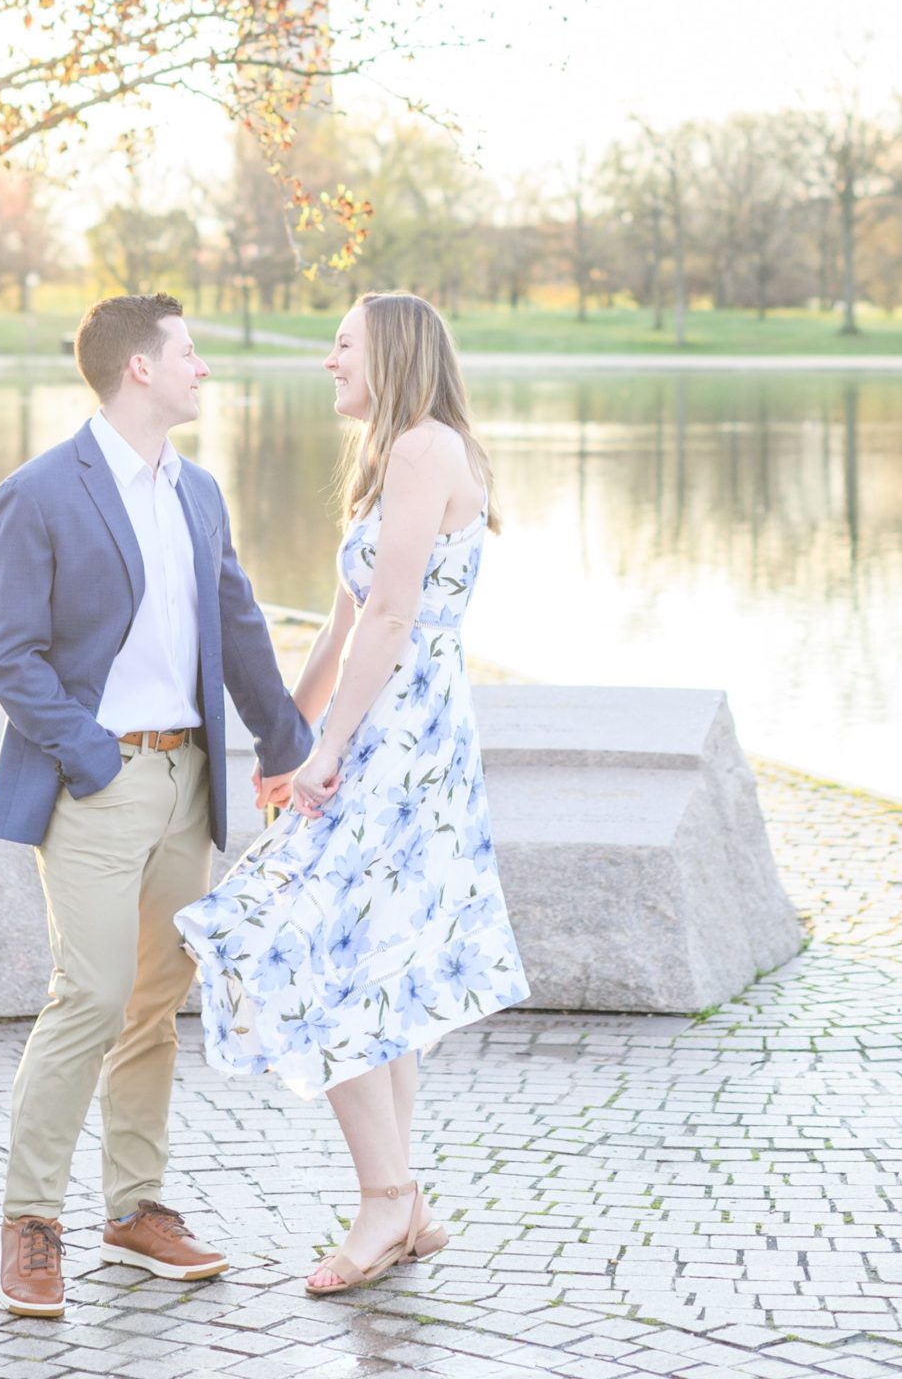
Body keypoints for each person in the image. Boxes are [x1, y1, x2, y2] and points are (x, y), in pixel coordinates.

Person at [176, 290, 529, 1297]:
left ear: (390, 351)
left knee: (304, 950)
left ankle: (385, 1197)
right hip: (365, 738)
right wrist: (286, 739)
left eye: (340, 346)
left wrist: (327, 751)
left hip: (404, 748)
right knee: (367, 966)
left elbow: (390, 617)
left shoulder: (427, 447)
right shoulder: (385, 458)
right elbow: (336, 634)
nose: (327, 362)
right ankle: (400, 1205)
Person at [0, 292, 312, 1319]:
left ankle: (135, 1211)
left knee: (154, 1004)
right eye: (186, 352)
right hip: (95, 781)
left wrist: (285, 745)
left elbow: (238, 622)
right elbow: (9, 654)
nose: (200, 367)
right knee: (88, 994)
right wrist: (89, 756)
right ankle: (31, 1224)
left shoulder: (199, 491)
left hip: (188, 783)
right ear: (136, 369)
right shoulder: (38, 493)